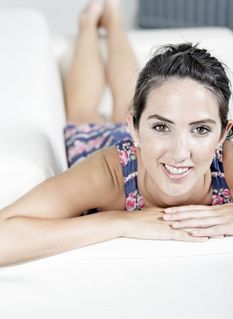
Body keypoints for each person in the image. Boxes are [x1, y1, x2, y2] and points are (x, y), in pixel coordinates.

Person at [1, 0, 233, 267]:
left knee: (135, 97)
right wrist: (121, 221)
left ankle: (113, 18)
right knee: (84, 110)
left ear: (222, 134)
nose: (180, 153)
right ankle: (89, 23)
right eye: (162, 127)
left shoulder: (227, 164)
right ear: (133, 127)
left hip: (146, 147)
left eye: (200, 129)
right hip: (108, 150)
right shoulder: (107, 173)